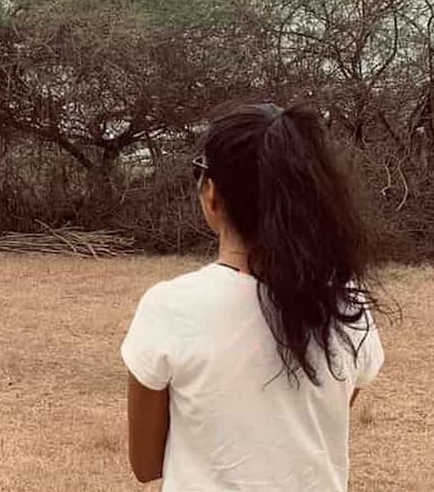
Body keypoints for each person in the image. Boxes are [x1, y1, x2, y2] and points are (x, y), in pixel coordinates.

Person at [121, 102, 385, 491]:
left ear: (211, 195)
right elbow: (319, 421)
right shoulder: (348, 304)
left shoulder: (170, 307)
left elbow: (146, 464)